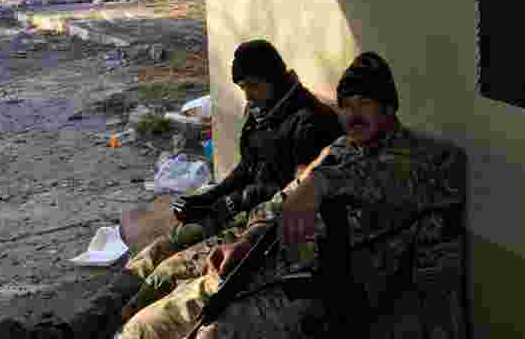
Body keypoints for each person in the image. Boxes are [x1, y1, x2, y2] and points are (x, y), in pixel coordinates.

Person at [0, 40, 342, 339]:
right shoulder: (265, 111)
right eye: (243, 88)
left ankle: (101, 329)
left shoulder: (309, 124)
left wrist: (230, 202)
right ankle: (74, 330)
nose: (248, 95)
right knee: (150, 256)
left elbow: (288, 194)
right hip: (232, 214)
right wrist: (208, 197)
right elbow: (247, 169)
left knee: (165, 274)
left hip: (253, 230)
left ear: (274, 77)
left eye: (253, 85)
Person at [117, 51, 464, 339]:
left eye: (365, 103)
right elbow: (283, 200)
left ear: (389, 108)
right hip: (269, 262)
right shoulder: (341, 149)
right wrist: (247, 238)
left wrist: (320, 185)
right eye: (346, 105)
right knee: (148, 324)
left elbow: (386, 181)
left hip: (330, 290)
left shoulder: (430, 159)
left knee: (212, 333)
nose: (353, 114)